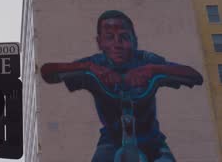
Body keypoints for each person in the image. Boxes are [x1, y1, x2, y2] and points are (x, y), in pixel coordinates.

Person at [40, 10, 203, 162]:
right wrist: (88, 69)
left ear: (135, 40)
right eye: (109, 37)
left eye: (124, 37)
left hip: (152, 140)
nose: (117, 44)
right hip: (111, 139)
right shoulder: (95, 63)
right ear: (99, 42)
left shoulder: (146, 59)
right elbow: (48, 71)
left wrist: (153, 70)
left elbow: (194, 75)